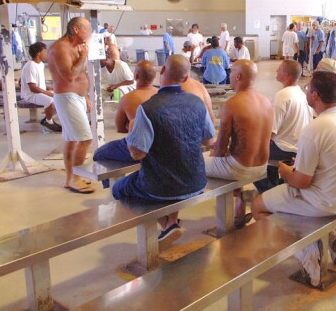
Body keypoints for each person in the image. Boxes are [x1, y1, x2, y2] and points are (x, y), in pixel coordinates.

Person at [251, 71, 336, 287]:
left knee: (258, 206)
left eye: (308, 88)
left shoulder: (315, 129)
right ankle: (332, 239)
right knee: (290, 198)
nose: (306, 90)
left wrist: (285, 171)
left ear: (315, 95)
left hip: (325, 202)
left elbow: (301, 182)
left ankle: (305, 252)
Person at [112, 55, 215, 248]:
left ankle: (164, 224)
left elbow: (137, 154)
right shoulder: (197, 103)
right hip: (197, 181)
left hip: (159, 187)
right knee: (173, 168)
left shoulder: (148, 108)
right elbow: (209, 140)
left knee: (118, 189)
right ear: (186, 79)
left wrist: (132, 132)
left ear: (161, 72)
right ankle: (171, 222)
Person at [205, 60, 272, 228]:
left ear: (239, 76)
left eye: (231, 73)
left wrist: (215, 151)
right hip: (262, 166)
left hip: (239, 168)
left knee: (194, 163)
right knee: (223, 162)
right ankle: (240, 202)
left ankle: (170, 218)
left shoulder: (232, 104)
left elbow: (220, 150)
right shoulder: (266, 101)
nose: (229, 76)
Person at [47, 17, 95, 194]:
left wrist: (85, 95)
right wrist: (83, 56)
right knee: (85, 138)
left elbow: (81, 74)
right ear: (76, 29)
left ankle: (71, 177)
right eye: (87, 29)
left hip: (77, 97)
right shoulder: (60, 48)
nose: (90, 33)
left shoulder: (76, 46)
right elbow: (70, 76)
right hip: (67, 97)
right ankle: (74, 178)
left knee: (73, 139)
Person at [253, 60, 312, 194]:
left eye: (278, 69)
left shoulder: (282, 96)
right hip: (300, 146)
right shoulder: (302, 94)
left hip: (284, 148)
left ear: (286, 75)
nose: (275, 71)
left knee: (249, 153)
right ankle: (276, 186)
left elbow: (271, 131)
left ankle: (269, 191)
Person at [20, 42, 61, 133]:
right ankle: (48, 121)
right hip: (31, 95)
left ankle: (48, 118)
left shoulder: (40, 64)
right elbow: (33, 88)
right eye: (45, 52)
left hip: (39, 92)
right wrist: (48, 93)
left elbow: (39, 82)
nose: (46, 54)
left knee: (63, 97)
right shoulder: (30, 66)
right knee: (51, 100)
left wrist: (48, 88)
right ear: (38, 53)